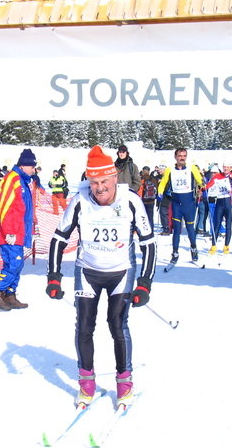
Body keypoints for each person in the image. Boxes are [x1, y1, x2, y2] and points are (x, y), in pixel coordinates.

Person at [46, 145, 156, 409]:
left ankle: (124, 382)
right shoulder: (80, 199)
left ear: (114, 177)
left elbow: (148, 242)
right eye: (94, 182)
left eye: (105, 181)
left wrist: (145, 283)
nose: (100, 188)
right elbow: (59, 237)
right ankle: (86, 383)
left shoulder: (130, 200)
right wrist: (53, 276)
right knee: (84, 326)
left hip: (121, 271)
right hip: (87, 271)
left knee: (117, 324)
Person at [0, 149, 37, 311]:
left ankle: (10, 294)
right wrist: (9, 231)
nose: (34, 170)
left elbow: (24, 209)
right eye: (32, 166)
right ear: (24, 165)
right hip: (10, 233)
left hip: (19, 231)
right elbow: (5, 207)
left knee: (17, 264)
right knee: (14, 263)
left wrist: (31, 229)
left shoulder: (23, 181)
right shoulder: (12, 179)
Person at [158, 147, 203, 264]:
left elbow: (199, 179)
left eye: (184, 156)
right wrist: (160, 192)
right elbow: (163, 183)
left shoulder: (192, 168)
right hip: (176, 204)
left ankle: (193, 248)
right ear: (175, 157)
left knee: (190, 228)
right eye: (180, 156)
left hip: (188, 203)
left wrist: (203, 185)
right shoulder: (170, 170)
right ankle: (175, 252)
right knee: (177, 230)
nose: (182, 158)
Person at [204, 163, 232, 254]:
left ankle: (226, 246)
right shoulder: (218, 176)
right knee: (216, 224)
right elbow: (209, 185)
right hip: (219, 202)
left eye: (228, 167)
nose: (226, 169)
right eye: (224, 167)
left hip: (229, 203)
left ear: (230, 168)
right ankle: (213, 246)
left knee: (228, 225)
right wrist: (204, 187)